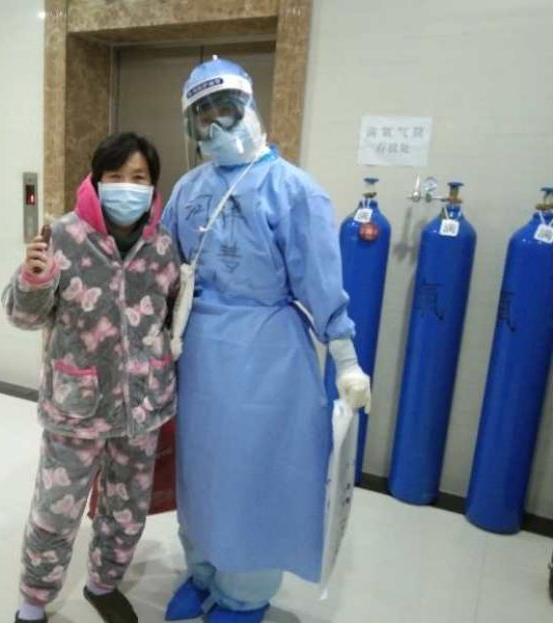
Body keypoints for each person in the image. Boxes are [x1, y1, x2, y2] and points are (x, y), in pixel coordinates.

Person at [161, 58, 372, 623]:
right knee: (200, 472)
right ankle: (203, 571)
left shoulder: (294, 191)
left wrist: (347, 360)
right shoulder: (187, 190)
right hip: (198, 357)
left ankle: (244, 593)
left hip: (266, 358)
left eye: (224, 111)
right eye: (201, 116)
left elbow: (322, 282)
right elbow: (161, 267)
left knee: (252, 476)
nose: (214, 126)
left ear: (249, 108)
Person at [2, 132, 180, 623]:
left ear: (153, 185)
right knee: (56, 511)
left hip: (141, 407)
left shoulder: (164, 246)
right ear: (96, 180)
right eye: (116, 176)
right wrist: (33, 280)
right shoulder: (62, 236)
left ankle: (103, 584)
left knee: (126, 508)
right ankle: (33, 601)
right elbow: (22, 316)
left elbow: (170, 317)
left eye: (139, 178)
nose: (127, 186)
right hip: (76, 406)